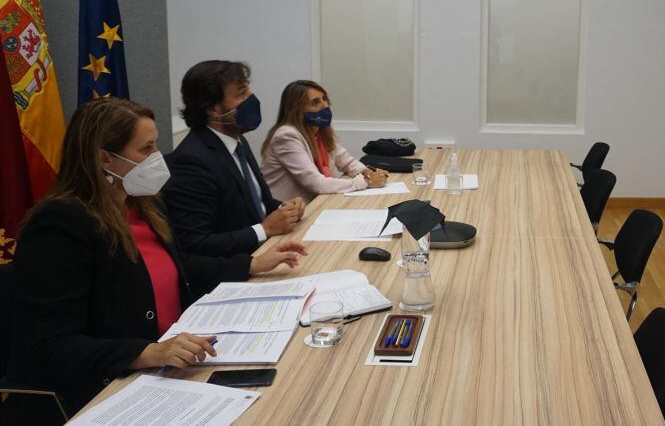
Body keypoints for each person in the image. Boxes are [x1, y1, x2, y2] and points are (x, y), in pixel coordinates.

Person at [6, 98, 307, 420]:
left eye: (156, 146)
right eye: (145, 149)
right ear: (105, 158)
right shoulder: (61, 225)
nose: (157, 159)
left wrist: (250, 264)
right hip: (110, 386)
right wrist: (146, 352)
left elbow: (179, 270)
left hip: (176, 362)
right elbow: (47, 347)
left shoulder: (144, 206)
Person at [164, 60, 305, 257]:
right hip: (234, 273)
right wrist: (264, 230)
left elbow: (255, 205)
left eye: (248, 90)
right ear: (212, 108)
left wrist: (285, 208)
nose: (251, 98)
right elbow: (195, 243)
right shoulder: (191, 161)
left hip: (267, 252)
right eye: (241, 94)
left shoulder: (237, 141)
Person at [260, 80, 389, 202]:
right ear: (297, 110)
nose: (325, 105)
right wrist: (366, 182)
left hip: (315, 204)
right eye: (315, 102)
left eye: (324, 99)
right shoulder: (286, 136)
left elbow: (347, 162)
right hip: (287, 214)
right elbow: (316, 183)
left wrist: (367, 172)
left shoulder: (320, 131)